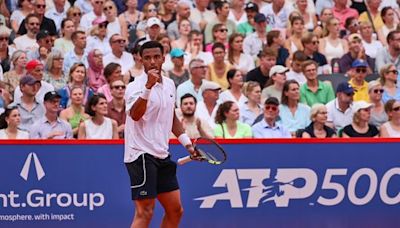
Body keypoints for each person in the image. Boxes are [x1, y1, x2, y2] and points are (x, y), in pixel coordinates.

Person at [124, 41, 197, 228]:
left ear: (163, 59)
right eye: (147, 58)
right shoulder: (134, 87)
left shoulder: (170, 85)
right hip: (140, 154)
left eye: (156, 57)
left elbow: (171, 117)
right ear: (141, 60)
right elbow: (135, 115)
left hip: (162, 154)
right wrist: (148, 87)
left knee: (175, 210)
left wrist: (187, 144)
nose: (152, 61)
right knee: (145, 212)